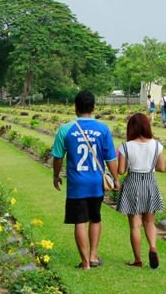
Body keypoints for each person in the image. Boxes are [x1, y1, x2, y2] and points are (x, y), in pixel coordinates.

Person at [51, 90, 120, 270]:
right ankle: (94, 255)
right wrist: (116, 178)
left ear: (75, 108)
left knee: (79, 221)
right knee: (95, 218)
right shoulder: (103, 129)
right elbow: (110, 158)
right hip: (97, 182)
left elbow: (58, 157)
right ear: (94, 108)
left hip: (77, 184)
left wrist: (56, 175)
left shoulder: (65, 129)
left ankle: (85, 262)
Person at [116, 113, 165, 269]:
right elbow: (162, 167)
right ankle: (152, 246)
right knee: (150, 222)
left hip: (133, 182)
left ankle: (137, 260)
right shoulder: (157, 145)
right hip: (150, 182)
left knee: (135, 225)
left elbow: (121, 170)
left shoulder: (126, 146)